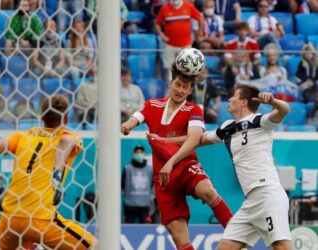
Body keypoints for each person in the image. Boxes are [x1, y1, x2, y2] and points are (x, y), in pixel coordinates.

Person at [121, 57, 232, 250]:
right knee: (178, 235)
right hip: (163, 177)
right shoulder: (152, 105)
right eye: (178, 85)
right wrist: (127, 125)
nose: (180, 90)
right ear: (171, 83)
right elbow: (137, 116)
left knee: (207, 190)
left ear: (190, 91)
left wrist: (171, 161)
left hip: (184, 165)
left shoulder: (194, 110)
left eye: (185, 87)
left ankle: (236, 234)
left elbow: (194, 139)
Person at [0, 94, 96, 249]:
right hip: (40, 220)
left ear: (42, 117)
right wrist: (57, 174)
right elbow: (66, 142)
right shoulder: (69, 136)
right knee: (96, 246)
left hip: (9, 221)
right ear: (67, 119)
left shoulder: (24, 136)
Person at [200, 84, 292, 250]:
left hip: (267, 194)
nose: (229, 99)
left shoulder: (259, 121)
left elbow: (285, 110)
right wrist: (164, 140)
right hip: (250, 202)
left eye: (233, 95)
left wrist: (273, 101)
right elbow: (199, 139)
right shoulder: (227, 127)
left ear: (243, 102)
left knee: (282, 246)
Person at [155, 0, 204, 80]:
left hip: (185, 44)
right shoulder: (164, 8)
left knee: (186, 71)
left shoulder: (188, 6)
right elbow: (157, 24)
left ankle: (185, 91)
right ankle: (170, 90)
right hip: (169, 45)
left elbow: (200, 18)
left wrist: (199, 33)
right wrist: (162, 35)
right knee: (169, 70)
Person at [121, 145, 154, 224]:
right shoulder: (127, 168)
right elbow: (122, 185)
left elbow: (152, 185)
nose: (139, 154)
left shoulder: (150, 169)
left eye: (141, 152)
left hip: (145, 205)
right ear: (133, 154)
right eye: (137, 152)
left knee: (145, 229)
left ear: (144, 154)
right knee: (128, 228)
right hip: (130, 205)